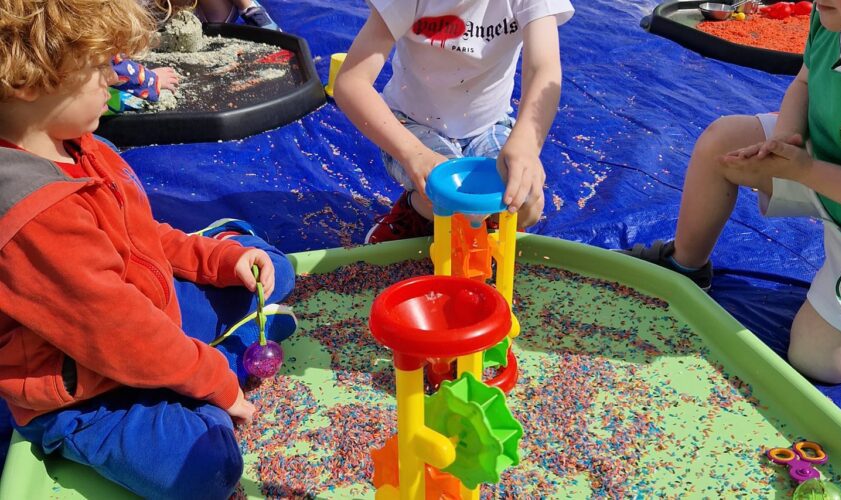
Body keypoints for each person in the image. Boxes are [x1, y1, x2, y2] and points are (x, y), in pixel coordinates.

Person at [0, 0, 296, 497]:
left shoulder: (75, 142)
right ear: (31, 80)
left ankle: (206, 352)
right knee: (207, 470)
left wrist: (219, 260)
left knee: (272, 271)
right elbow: (120, 331)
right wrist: (215, 383)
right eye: (99, 67)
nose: (114, 80)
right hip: (85, 393)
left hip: (147, 318)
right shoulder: (32, 212)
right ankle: (212, 368)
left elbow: (142, 236)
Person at [623, 1, 841, 384]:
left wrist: (805, 171)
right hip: (818, 159)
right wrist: (785, 143)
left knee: (819, 361)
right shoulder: (833, 15)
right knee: (721, 143)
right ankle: (686, 264)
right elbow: (804, 82)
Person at [334, 0, 574, 243]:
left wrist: (526, 144)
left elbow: (543, 69)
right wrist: (413, 153)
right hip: (412, 125)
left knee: (526, 200)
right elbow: (351, 82)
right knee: (455, 200)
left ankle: (484, 226)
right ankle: (415, 211)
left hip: (488, 126)